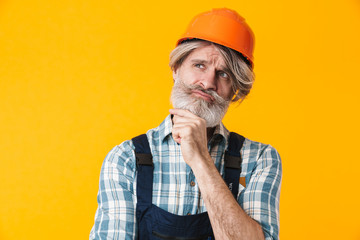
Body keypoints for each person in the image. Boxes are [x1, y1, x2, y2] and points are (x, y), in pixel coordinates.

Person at [90, 8, 282, 240]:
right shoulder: (126, 159)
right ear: (176, 69)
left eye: (223, 74)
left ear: (234, 89)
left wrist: (201, 160)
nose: (208, 82)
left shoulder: (258, 159)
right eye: (199, 65)